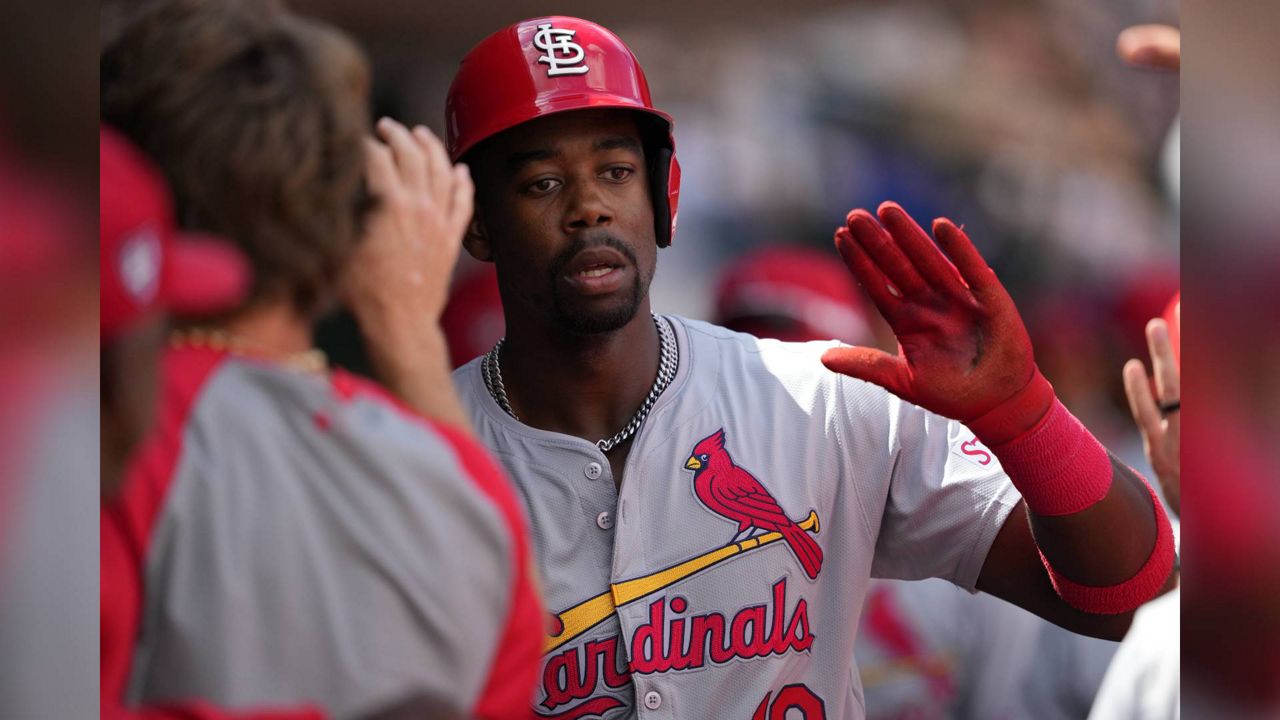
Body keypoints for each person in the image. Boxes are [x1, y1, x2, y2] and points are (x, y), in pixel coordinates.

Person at [446, 16, 1175, 718]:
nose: (589, 208)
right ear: (474, 218)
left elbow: (1129, 600)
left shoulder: (821, 396)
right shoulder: (422, 450)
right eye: (541, 182)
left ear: (661, 194)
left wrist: (1026, 419)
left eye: (615, 169)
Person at [100, 2, 541, 718]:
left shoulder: (96, 429)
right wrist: (406, 328)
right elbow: (514, 650)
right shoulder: (452, 480)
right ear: (352, 219)